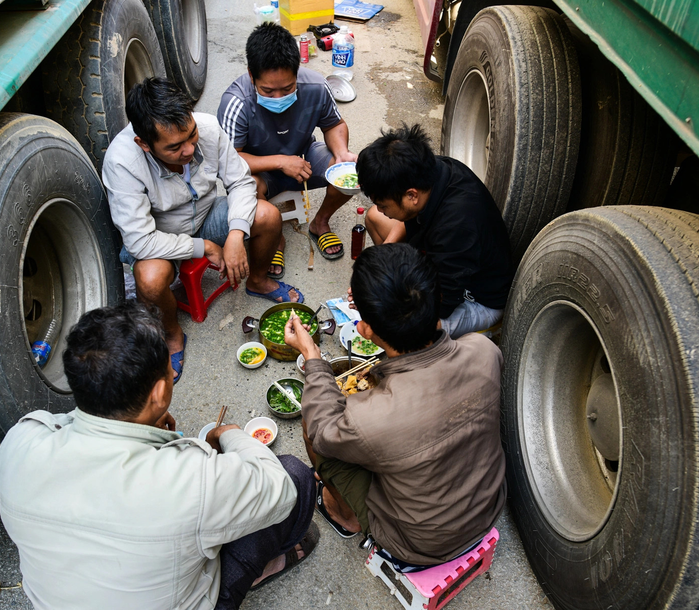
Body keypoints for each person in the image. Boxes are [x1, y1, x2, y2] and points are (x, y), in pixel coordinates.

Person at [0, 300, 319, 610]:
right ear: (160, 392)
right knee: (294, 473)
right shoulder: (190, 480)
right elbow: (278, 487)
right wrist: (228, 432)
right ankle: (259, 569)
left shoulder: (18, 443)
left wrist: (147, 427)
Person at [283, 243, 506, 571]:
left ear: (366, 329)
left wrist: (312, 356)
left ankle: (344, 516)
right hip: (487, 508)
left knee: (316, 427)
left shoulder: (371, 419)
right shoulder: (484, 350)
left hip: (419, 544)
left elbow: (323, 430)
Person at [103, 77, 303, 384]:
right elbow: (140, 241)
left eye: (191, 136)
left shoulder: (207, 128)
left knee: (268, 215)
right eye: (174, 147)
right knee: (150, 279)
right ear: (144, 144)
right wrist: (205, 248)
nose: (189, 149)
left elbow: (240, 182)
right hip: (160, 237)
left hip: (207, 216)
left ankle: (259, 281)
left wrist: (236, 234)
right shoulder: (122, 163)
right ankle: (172, 335)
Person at [218, 22, 358, 278]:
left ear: (297, 72)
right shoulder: (236, 102)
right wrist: (281, 161)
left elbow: (334, 124)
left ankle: (320, 222)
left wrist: (341, 154)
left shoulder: (316, 87)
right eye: (267, 90)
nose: (277, 97)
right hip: (260, 171)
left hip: (306, 157)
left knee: (350, 172)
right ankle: (275, 238)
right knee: (247, 186)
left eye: (288, 88)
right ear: (251, 75)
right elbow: (229, 162)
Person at [355, 123, 513, 337]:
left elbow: (443, 303)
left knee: (402, 327)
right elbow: (398, 220)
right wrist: (377, 270)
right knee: (373, 218)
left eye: (384, 204)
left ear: (412, 195)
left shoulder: (457, 226)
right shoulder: (427, 170)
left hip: (478, 300)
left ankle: (483, 333)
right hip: (444, 263)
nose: (382, 210)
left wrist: (385, 300)